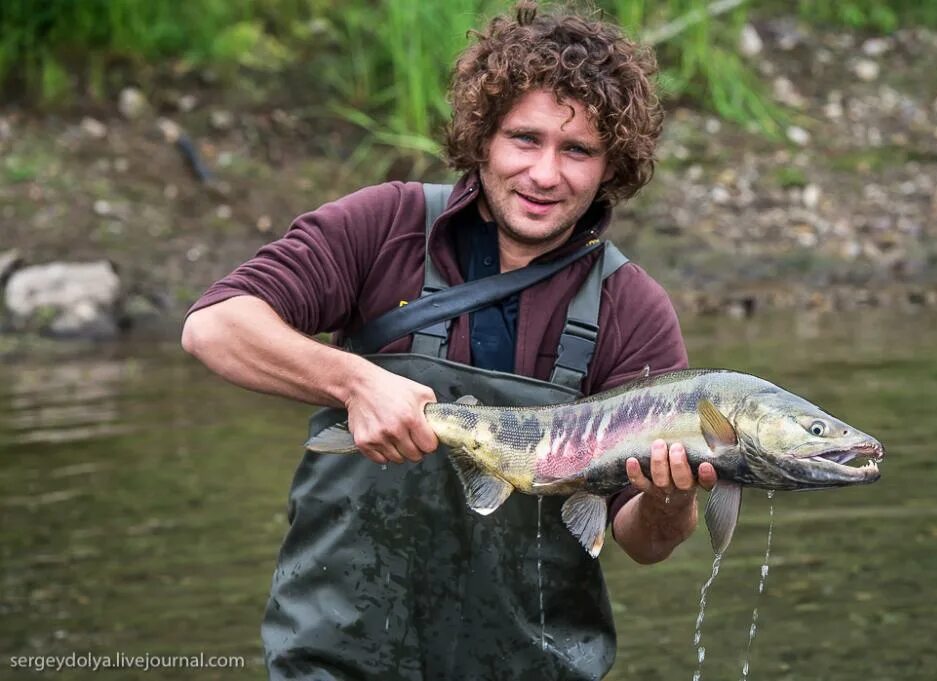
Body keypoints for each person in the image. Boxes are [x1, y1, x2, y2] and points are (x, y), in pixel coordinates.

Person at [182, 2, 717, 679]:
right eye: (525, 139)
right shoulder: (384, 226)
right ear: (484, 136)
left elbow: (643, 542)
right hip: (339, 658)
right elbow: (214, 326)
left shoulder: (632, 307)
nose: (545, 174)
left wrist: (671, 498)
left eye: (577, 149)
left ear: (611, 166)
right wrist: (354, 381)